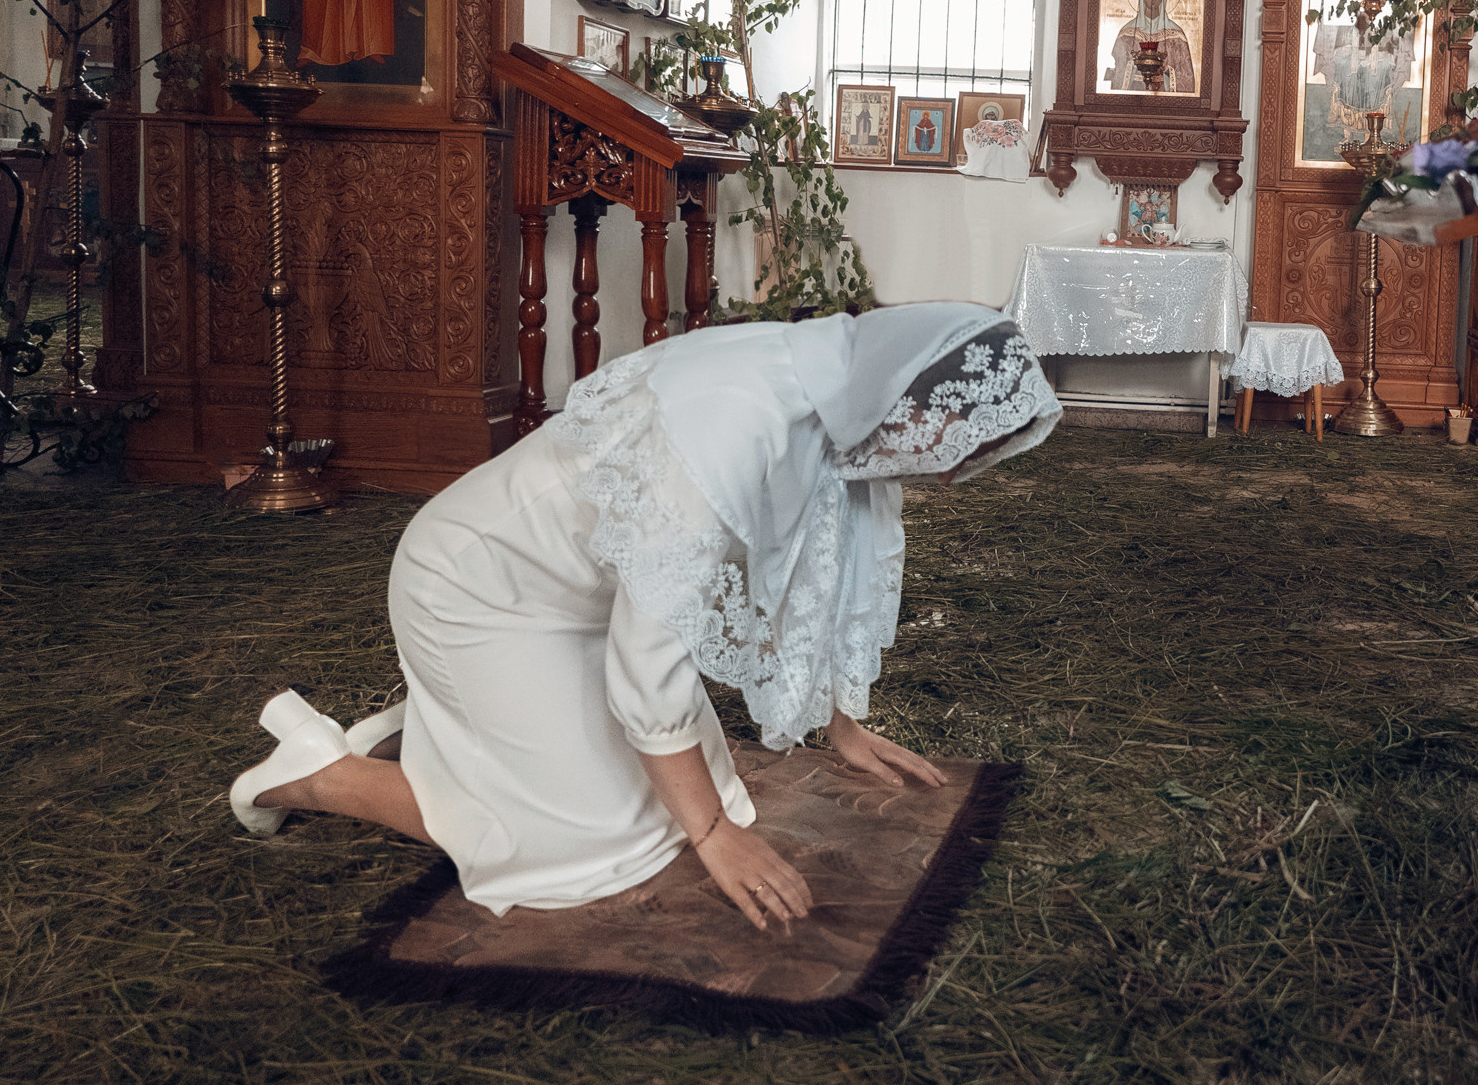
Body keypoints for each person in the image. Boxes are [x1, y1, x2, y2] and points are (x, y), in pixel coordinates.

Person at [227, 305, 1062, 933]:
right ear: (919, 399)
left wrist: (842, 725)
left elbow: (825, 573)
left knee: (705, 801)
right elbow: (649, 656)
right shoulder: (733, 425)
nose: (959, 471)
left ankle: (459, 727)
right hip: (479, 588)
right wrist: (709, 836)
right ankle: (318, 770)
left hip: (592, 597)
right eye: (967, 443)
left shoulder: (836, 393)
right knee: (586, 851)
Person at [1107, 0, 1195, 94]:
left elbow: (1186, 75)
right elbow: (1117, 71)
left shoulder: (1177, 35)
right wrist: (1133, 68)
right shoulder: (1127, 33)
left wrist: (1165, 71)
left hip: (1165, 97)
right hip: (1133, 97)